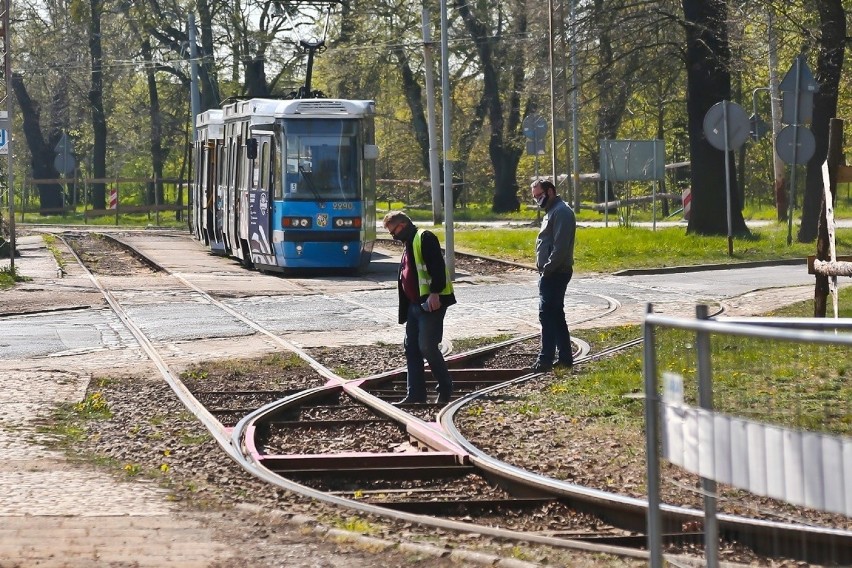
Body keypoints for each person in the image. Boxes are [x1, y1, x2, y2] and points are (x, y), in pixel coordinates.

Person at [383, 211, 457, 404]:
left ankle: (445, 387)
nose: (394, 236)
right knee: (412, 348)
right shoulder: (409, 241)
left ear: (403, 225)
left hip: (430, 303)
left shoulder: (424, 237)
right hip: (415, 305)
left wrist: (435, 292)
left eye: (394, 232)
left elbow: (438, 268)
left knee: (427, 346)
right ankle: (415, 394)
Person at [530, 179, 576, 372]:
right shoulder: (552, 211)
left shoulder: (562, 212)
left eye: (539, 196)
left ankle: (545, 360)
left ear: (550, 191)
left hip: (556, 272)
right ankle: (565, 357)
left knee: (547, 315)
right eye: (534, 197)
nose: (537, 200)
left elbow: (560, 247)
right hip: (551, 272)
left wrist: (547, 269)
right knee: (556, 315)